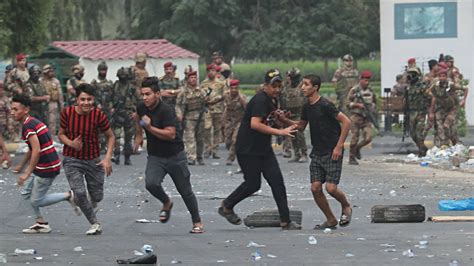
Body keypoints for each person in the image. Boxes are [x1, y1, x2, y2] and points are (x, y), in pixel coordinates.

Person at [218, 69, 301, 230]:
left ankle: (286, 221)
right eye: (273, 86)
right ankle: (226, 206)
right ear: (265, 85)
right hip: (248, 149)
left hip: (263, 148)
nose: (277, 89)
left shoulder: (273, 100)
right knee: (252, 184)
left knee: (277, 182)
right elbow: (255, 124)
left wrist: (281, 120)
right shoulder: (260, 100)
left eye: (279, 86)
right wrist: (280, 132)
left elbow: (269, 121)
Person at [277, 74, 352, 229]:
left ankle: (346, 206)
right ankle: (331, 219)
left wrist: (339, 146)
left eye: (306, 84)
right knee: (315, 188)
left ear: (315, 87)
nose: (302, 87)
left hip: (332, 150)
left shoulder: (325, 104)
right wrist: (285, 121)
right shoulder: (307, 106)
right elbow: (302, 126)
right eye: (302, 84)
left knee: (331, 188)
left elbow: (346, 121)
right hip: (317, 152)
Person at [134, 77, 204, 233]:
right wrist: (138, 135)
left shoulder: (166, 110)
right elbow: (137, 116)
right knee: (151, 183)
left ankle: (197, 221)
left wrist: (149, 128)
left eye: (148, 94)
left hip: (175, 155)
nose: (144, 98)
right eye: (143, 94)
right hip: (155, 156)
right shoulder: (141, 107)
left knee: (185, 190)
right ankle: (166, 202)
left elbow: (170, 134)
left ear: (157, 94)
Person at [10, 94, 76, 234]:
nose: (12, 112)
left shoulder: (28, 127)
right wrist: (21, 166)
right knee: (26, 192)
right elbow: (32, 148)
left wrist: (26, 173)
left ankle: (68, 195)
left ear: (26, 110)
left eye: (16, 109)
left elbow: (36, 150)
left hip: (46, 168)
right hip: (46, 165)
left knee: (36, 201)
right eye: (12, 109)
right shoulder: (32, 122)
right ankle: (40, 223)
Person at [59, 83, 115, 235]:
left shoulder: (98, 115)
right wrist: (71, 143)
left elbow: (110, 136)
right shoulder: (67, 113)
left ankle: (83, 201)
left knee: (97, 196)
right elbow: (61, 134)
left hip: (93, 160)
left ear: (93, 100)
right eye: (82, 99)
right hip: (72, 159)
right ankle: (95, 223)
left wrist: (107, 158)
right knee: (80, 192)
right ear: (76, 99)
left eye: (89, 99)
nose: (86, 103)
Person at [175, 71, 207, 165]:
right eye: (191, 77)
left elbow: (206, 102)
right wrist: (179, 114)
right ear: (188, 79)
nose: (193, 79)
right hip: (189, 117)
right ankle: (192, 157)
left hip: (200, 117)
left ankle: (200, 157)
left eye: (195, 77)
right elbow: (177, 105)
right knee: (190, 138)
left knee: (200, 138)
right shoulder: (183, 91)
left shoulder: (201, 90)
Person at [110, 67, 140, 165]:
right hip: (118, 114)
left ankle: (127, 157)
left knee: (128, 138)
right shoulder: (115, 86)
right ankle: (117, 155)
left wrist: (136, 112)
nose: (122, 78)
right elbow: (109, 98)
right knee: (116, 136)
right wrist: (111, 107)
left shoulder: (132, 88)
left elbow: (140, 100)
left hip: (128, 114)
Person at [346, 71, 376, 165]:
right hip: (356, 116)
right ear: (361, 79)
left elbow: (374, 101)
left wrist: (373, 108)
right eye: (365, 80)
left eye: (368, 80)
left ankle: (358, 148)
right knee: (355, 137)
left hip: (366, 117)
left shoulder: (370, 90)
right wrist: (357, 105)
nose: (367, 82)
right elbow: (347, 103)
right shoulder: (354, 90)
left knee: (369, 137)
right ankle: (352, 157)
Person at [280, 67, 308, 163]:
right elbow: (283, 100)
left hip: (300, 114)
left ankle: (304, 154)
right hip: (289, 114)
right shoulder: (286, 89)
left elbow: (306, 100)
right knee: (292, 135)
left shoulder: (302, 88)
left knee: (300, 134)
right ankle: (296, 154)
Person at [201, 64, 225, 158]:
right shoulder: (203, 83)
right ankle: (208, 148)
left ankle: (215, 150)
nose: (211, 72)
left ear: (216, 72)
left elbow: (224, 95)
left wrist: (217, 99)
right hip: (207, 109)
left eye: (213, 70)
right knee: (207, 128)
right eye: (209, 70)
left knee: (217, 130)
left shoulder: (221, 83)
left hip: (217, 108)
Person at [405, 68, 430, 157]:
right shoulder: (409, 86)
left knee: (419, 134)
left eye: (412, 74)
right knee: (412, 134)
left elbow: (430, 97)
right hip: (412, 113)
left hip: (420, 113)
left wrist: (429, 110)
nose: (410, 75)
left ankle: (421, 151)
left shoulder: (422, 86)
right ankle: (422, 147)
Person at [91, 61, 114, 154]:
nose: (103, 72)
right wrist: (96, 104)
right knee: (97, 128)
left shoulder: (109, 83)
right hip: (98, 108)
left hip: (107, 108)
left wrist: (112, 106)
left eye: (105, 70)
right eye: (101, 70)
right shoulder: (95, 82)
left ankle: (106, 146)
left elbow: (113, 95)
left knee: (107, 127)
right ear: (98, 70)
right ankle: (98, 146)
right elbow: (92, 95)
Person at [222, 79, 246, 165]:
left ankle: (230, 158)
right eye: (232, 88)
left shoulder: (242, 98)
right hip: (229, 121)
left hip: (239, 121)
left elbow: (247, 110)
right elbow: (220, 101)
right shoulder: (226, 95)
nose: (234, 90)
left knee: (235, 140)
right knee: (227, 141)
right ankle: (232, 152)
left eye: (235, 88)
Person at [41, 64, 63, 140]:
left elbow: (60, 95)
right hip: (42, 104)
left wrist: (62, 106)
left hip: (53, 103)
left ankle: (52, 138)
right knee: (43, 122)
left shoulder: (56, 81)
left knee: (52, 122)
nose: (52, 73)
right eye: (50, 71)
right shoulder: (40, 81)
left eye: (52, 71)